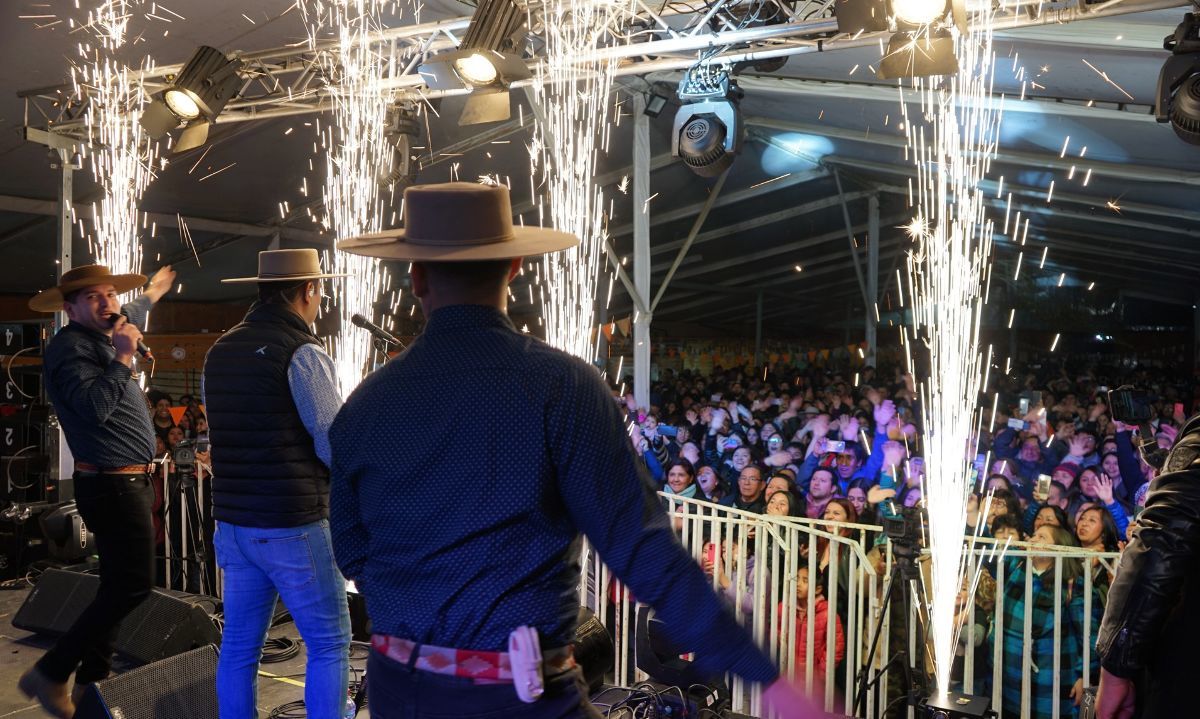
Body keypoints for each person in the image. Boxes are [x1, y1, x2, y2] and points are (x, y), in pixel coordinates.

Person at [327, 183, 814, 718]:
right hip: (519, 694)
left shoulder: (363, 405)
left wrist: (423, 607)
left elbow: (351, 550)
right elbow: (640, 548)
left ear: (415, 276)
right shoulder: (563, 387)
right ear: (514, 265)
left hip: (400, 691)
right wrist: (761, 673)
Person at [18, 263, 175, 717]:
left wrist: (153, 293)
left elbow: (131, 312)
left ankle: (91, 683)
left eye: (111, 294)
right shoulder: (71, 350)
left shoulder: (109, 329)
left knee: (115, 586)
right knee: (133, 587)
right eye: (94, 298)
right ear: (69, 309)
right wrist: (124, 358)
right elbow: (93, 409)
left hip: (125, 481)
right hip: (112, 486)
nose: (109, 305)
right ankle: (50, 672)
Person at [202, 249, 352, 719]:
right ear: (307, 291)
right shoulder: (303, 352)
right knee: (329, 644)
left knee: (239, 649)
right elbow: (333, 443)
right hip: (293, 524)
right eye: (319, 290)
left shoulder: (220, 350)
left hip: (234, 526)